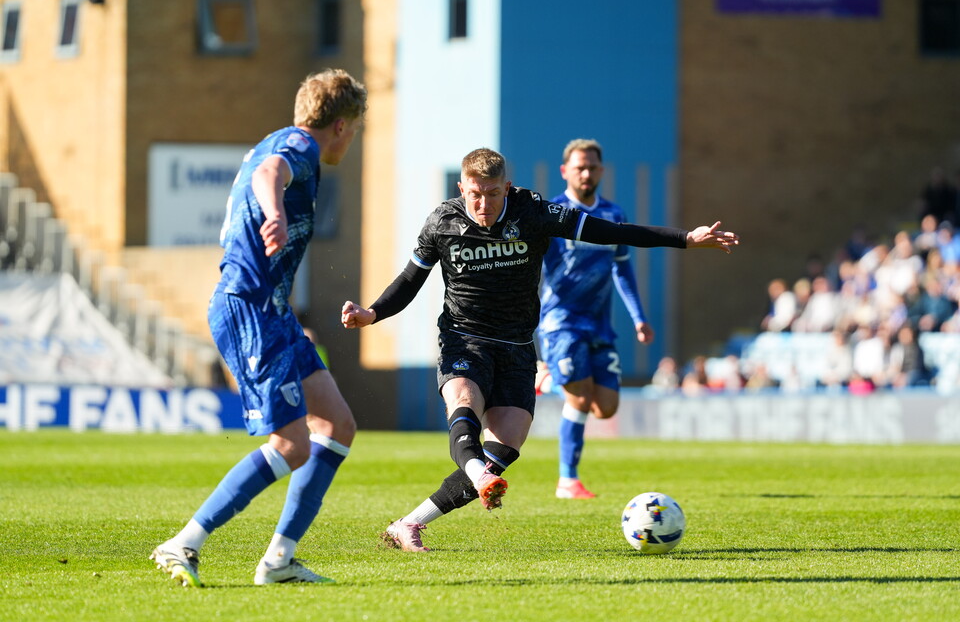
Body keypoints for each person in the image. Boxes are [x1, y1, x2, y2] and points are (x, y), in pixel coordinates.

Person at [341, 148, 738, 552]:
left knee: (505, 446)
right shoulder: (442, 222)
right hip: (464, 338)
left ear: (507, 188)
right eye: (475, 194)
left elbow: (611, 232)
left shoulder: (532, 212)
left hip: (517, 346)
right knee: (464, 403)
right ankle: (479, 478)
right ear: (462, 188)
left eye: (493, 194)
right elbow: (410, 280)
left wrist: (685, 239)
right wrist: (371, 313)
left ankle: (409, 523)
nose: (484, 204)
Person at [150, 69, 367, 587]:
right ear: (340, 125)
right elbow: (270, 173)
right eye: (355, 129)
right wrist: (274, 213)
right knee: (292, 443)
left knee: (336, 424)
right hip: (248, 307)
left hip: (273, 309)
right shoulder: (297, 145)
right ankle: (184, 543)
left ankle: (279, 561)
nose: (352, 140)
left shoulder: (282, 139)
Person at [535, 139, 655, 500]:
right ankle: (567, 480)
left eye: (592, 167)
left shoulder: (613, 215)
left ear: (601, 171)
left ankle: (550, 381)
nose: (586, 173)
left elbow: (622, 268)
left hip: (600, 323)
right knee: (580, 399)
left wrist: (638, 317)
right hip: (561, 320)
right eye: (579, 167)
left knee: (606, 406)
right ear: (565, 171)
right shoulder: (552, 213)